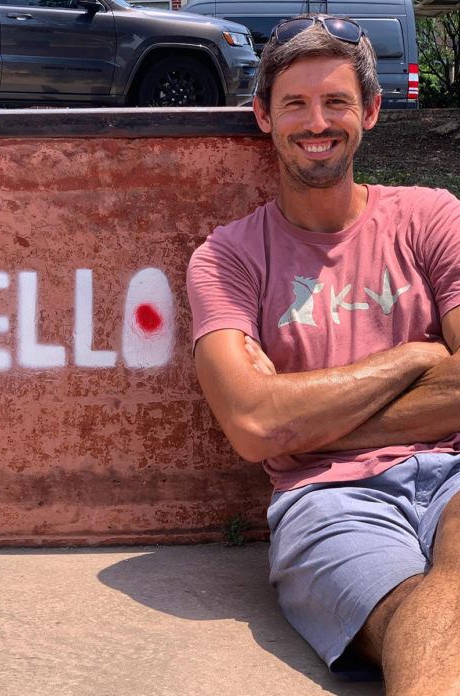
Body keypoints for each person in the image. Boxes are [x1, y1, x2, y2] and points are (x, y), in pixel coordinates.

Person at [186, 14, 460, 695]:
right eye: (296, 104)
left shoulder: (432, 218)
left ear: (369, 110)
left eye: (336, 101)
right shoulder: (228, 258)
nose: (317, 122)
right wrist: (414, 358)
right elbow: (252, 425)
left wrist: (306, 422)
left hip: (454, 472)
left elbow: (278, 425)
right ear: (263, 117)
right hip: (325, 498)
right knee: (409, 615)